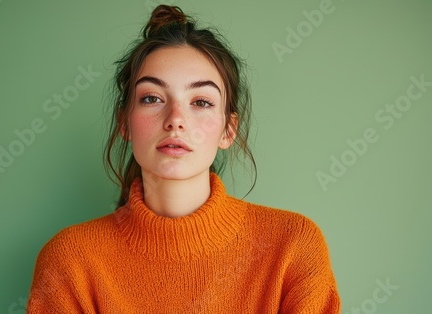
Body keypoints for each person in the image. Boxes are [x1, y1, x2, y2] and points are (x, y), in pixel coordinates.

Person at [27, 5, 341, 313]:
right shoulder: (69, 261)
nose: (176, 119)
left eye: (201, 101)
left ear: (228, 130)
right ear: (124, 122)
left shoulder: (294, 246)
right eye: (152, 98)